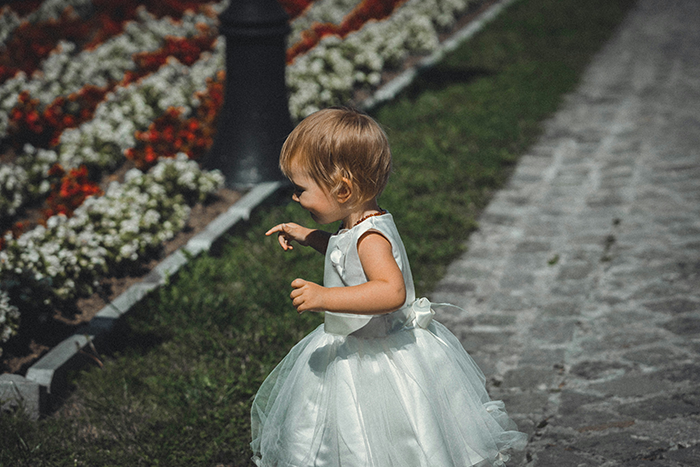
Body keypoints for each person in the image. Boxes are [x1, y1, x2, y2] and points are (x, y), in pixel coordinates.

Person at [251, 107, 527, 466]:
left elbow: (390, 292)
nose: (296, 198)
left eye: (301, 189)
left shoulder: (371, 239)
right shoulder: (360, 224)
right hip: (358, 343)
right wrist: (307, 235)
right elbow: (341, 249)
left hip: (377, 357)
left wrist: (326, 297)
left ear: (342, 188)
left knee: (384, 433)